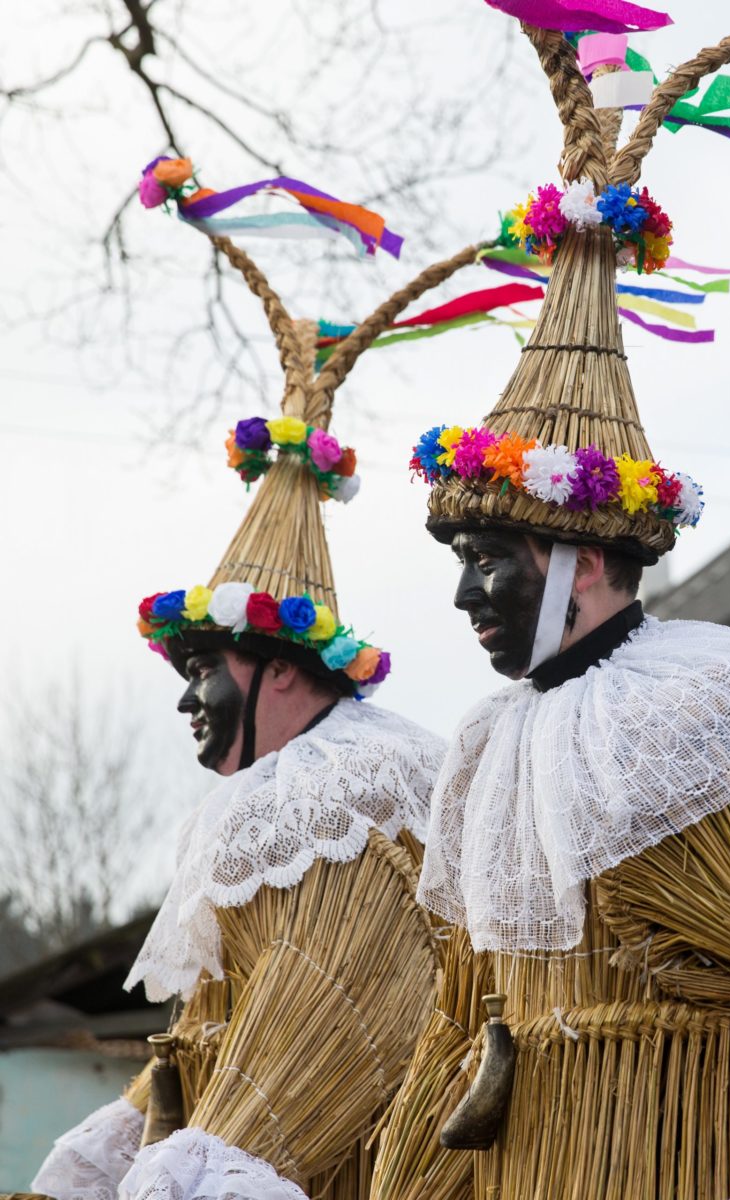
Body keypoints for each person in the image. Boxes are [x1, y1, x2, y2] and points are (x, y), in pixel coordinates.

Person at [369, 25, 730, 1200]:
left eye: (494, 557)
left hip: (692, 1159)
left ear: (585, 554)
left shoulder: (726, 706)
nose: (469, 593)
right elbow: (459, 1023)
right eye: (460, 559)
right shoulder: (488, 743)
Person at [30, 173, 492, 1200]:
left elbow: (323, 1020)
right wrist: (111, 1151)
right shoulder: (278, 794)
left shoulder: (337, 786)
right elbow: (214, 1036)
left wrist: (198, 1172)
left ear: (284, 670)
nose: (190, 697)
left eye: (207, 670)